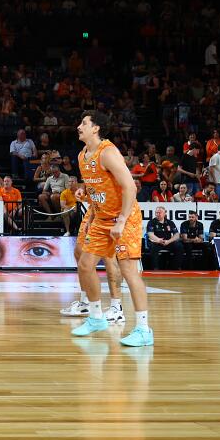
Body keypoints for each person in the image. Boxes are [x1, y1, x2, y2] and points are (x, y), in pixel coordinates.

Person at [71, 111, 153, 347]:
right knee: (85, 264)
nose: (79, 126)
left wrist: (122, 220)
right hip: (101, 217)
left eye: (84, 123)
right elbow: (97, 184)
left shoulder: (108, 152)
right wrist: (85, 193)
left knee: (128, 271)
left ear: (96, 128)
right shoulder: (82, 155)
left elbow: (130, 187)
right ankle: (96, 317)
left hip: (124, 217)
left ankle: (143, 329)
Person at [61, 184, 126, 324]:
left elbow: (128, 187)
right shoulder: (89, 172)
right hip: (94, 208)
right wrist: (83, 190)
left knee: (109, 257)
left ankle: (117, 307)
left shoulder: (113, 170)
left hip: (110, 210)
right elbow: (92, 182)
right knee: (79, 253)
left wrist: (121, 218)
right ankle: (86, 302)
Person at [146, 206, 184, 270]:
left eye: (159, 212)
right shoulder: (151, 222)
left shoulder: (170, 222)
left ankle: (176, 267)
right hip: (156, 242)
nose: (157, 214)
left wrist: (169, 241)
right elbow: (150, 234)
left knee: (179, 246)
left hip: (168, 242)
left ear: (164, 213)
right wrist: (159, 240)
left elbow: (177, 235)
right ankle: (155, 268)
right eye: (156, 212)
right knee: (153, 247)